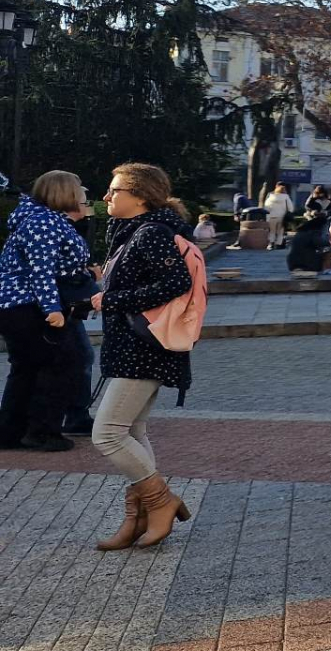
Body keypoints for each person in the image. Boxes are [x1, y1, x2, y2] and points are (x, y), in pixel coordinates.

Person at [92, 162, 197, 550]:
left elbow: (176, 283)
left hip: (143, 349)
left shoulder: (150, 232)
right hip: (135, 346)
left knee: (107, 433)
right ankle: (138, 517)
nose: (106, 197)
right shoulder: (134, 231)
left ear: (140, 197)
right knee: (132, 432)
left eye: (114, 190)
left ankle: (161, 501)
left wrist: (112, 299)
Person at [0, 170, 93, 452]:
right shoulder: (44, 222)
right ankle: (42, 431)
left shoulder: (41, 220)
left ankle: (11, 431)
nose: (83, 196)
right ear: (63, 192)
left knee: (28, 367)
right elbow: (41, 271)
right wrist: (53, 309)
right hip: (28, 306)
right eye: (79, 190)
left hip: (18, 305)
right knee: (61, 364)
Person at [263, 183, 294, 248]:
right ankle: (278, 244)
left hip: (272, 217)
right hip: (282, 217)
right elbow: (291, 208)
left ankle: (271, 243)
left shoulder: (271, 197)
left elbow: (266, 207)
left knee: (272, 231)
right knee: (280, 232)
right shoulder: (286, 197)